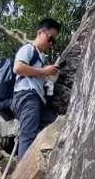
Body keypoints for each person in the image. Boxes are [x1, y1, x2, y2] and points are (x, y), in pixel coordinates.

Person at [13, 17, 61, 159]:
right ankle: (21, 178)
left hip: (37, 100)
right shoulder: (28, 49)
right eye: (50, 38)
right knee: (28, 135)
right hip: (26, 96)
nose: (51, 44)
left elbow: (38, 77)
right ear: (40, 33)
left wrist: (50, 78)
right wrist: (44, 71)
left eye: (54, 41)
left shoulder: (41, 58)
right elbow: (18, 68)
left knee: (56, 125)